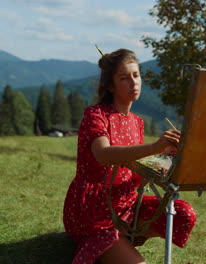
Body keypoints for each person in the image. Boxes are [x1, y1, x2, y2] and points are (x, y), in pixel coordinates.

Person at [63, 48, 196, 264]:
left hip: (127, 204)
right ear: (110, 85)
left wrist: (169, 158)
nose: (133, 82)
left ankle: (123, 241)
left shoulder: (137, 122)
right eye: (124, 78)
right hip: (94, 211)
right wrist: (154, 147)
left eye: (136, 75)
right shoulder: (95, 115)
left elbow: (137, 176)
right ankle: (109, 244)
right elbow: (104, 155)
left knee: (183, 213)